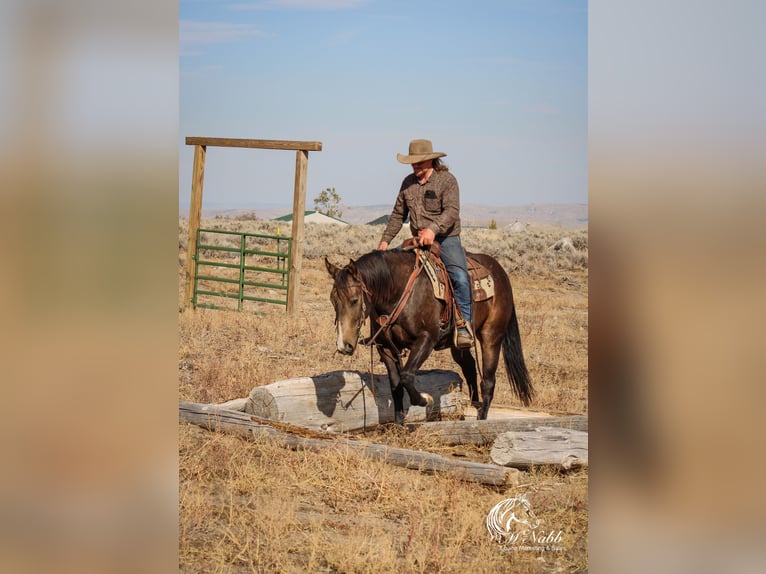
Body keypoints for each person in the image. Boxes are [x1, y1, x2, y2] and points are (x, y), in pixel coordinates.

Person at [377, 139, 474, 349]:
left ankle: (464, 325)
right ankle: (390, 326)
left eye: (419, 162)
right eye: (413, 162)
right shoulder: (408, 183)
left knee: (459, 277)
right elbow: (397, 215)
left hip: (446, 239)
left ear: (431, 160)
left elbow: (451, 211)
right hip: (417, 240)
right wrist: (385, 241)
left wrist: (433, 229)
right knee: (391, 273)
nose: (415, 166)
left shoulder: (447, 181)